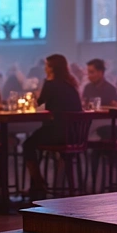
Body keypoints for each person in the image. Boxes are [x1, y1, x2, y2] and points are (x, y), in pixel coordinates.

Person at [24, 54, 83, 200]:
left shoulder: (51, 84)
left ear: (51, 68)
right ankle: (40, 185)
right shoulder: (70, 84)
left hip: (57, 133)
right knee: (34, 140)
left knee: (28, 144)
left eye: (46, 65)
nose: (44, 68)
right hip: (75, 135)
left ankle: (38, 183)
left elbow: (39, 103)